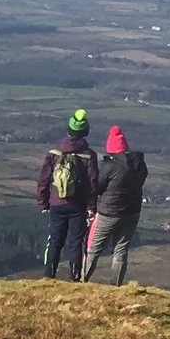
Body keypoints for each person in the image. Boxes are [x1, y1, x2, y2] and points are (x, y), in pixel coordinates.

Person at [34, 109, 99, 280]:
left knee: (55, 240)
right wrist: (91, 207)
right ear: (85, 132)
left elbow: (44, 179)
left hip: (57, 204)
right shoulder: (89, 156)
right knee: (75, 243)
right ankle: (75, 277)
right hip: (78, 206)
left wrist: (43, 202)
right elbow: (92, 184)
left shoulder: (54, 153)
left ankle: (49, 275)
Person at [87, 125, 149, 285]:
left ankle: (82, 280)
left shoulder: (111, 166)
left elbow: (98, 187)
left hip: (109, 212)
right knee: (120, 250)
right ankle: (116, 285)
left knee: (94, 249)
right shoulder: (140, 164)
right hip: (132, 212)